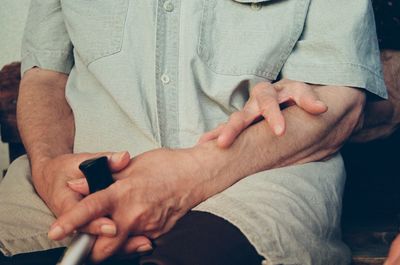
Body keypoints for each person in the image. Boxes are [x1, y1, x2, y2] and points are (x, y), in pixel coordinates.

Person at [0, 1, 388, 264]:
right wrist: (48, 167)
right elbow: (46, 76)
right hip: (78, 178)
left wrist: (189, 174)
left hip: (255, 177)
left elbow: (340, 100)